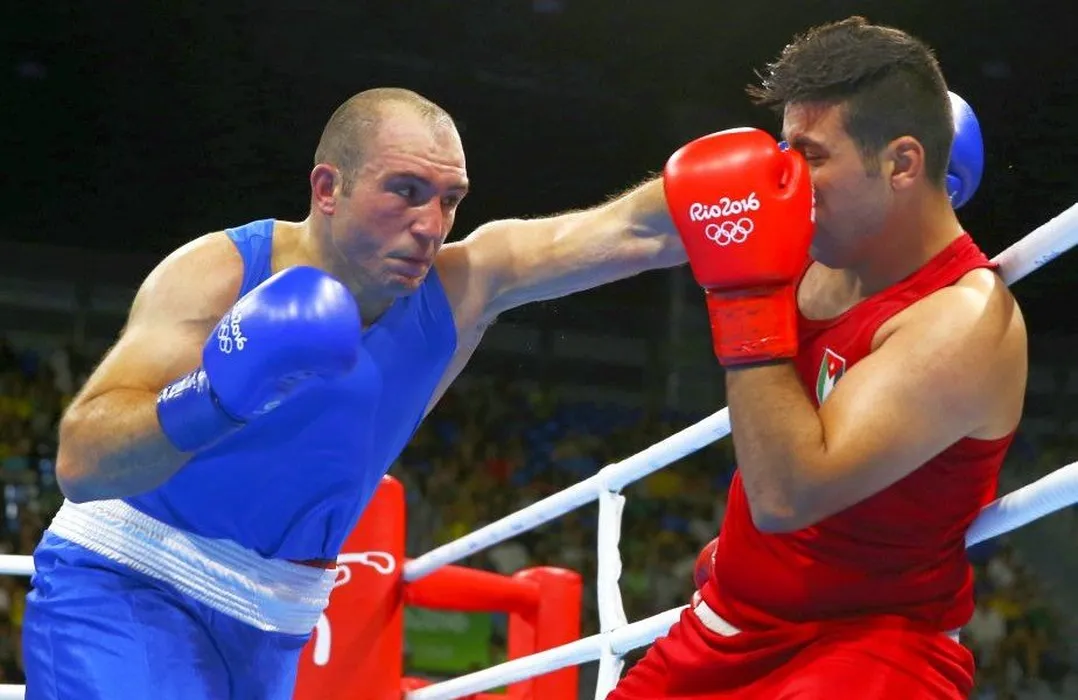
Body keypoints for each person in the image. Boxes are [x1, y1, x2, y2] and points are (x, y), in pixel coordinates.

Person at [21, 87, 686, 699]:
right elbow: (81, 463)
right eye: (406, 190)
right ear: (327, 188)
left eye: (449, 199)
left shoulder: (464, 286)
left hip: (273, 627)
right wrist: (218, 396)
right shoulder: (222, 272)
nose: (431, 224)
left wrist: (746, 177)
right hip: (128, 582)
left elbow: (637, 228)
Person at [610, 16, 1026, 700]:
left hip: (870, 648)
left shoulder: (963, 320)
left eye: (811, 154)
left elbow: (787, 497)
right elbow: (610, 233)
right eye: (785, 147)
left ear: (901, 164)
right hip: (728, 623)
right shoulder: (809, 240)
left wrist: (744, 292)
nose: (788, 175)